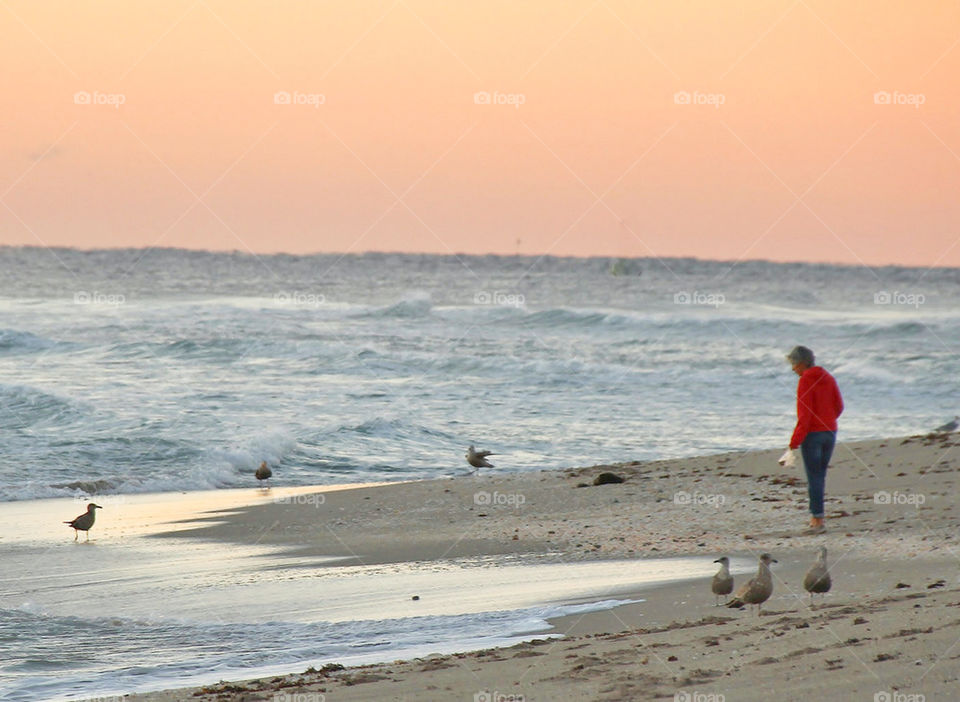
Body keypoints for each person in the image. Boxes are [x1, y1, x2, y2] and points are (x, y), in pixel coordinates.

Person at [787, 345, 843, 534]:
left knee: (814, 477)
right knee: (820, 476)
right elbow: (839, 406)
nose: (793, 369)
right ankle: (817, 517)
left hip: (813, 435)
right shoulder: (828, 377)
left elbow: (805, 416)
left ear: (802, 363)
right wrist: (828, 420)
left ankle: (817, 520)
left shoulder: (805, 381)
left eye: (794, 364)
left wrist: (794, 442)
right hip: (830, 432)